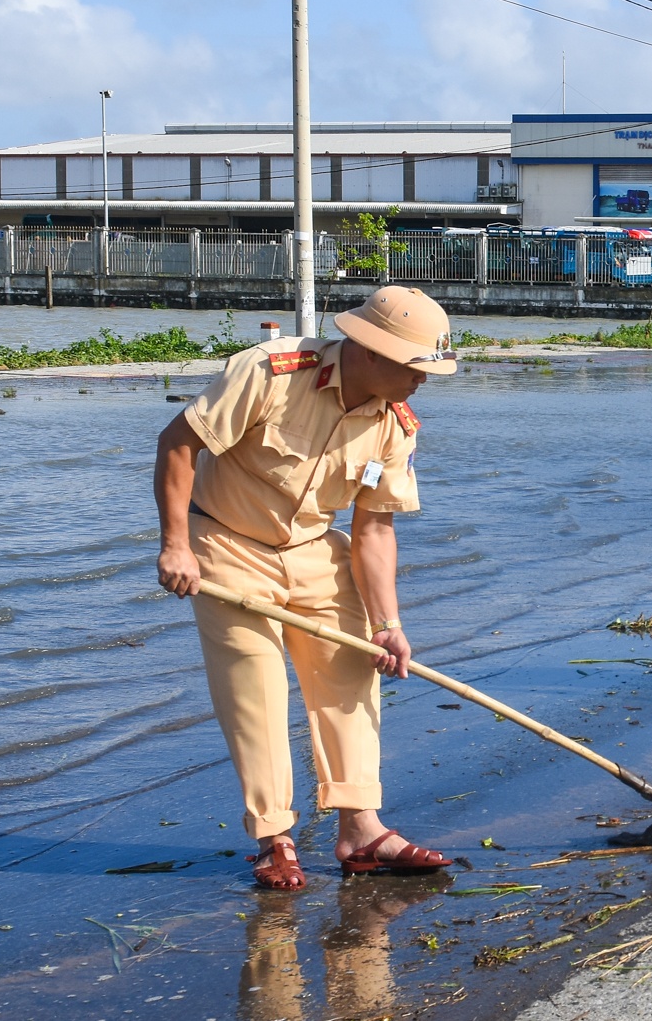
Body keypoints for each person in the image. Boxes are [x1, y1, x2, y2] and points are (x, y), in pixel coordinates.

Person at [154, 287, 459, 891]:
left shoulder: (394, 424)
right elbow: (179, 444)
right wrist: (175, 544)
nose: (424, 382)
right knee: (256, 689)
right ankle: (274, 838)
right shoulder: (270, 373)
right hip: (228, 546)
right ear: (372, 352)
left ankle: (361, 829)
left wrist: (388, 624)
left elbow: (373, 527)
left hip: (317, 553)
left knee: (353, 672)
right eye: (417, 367)